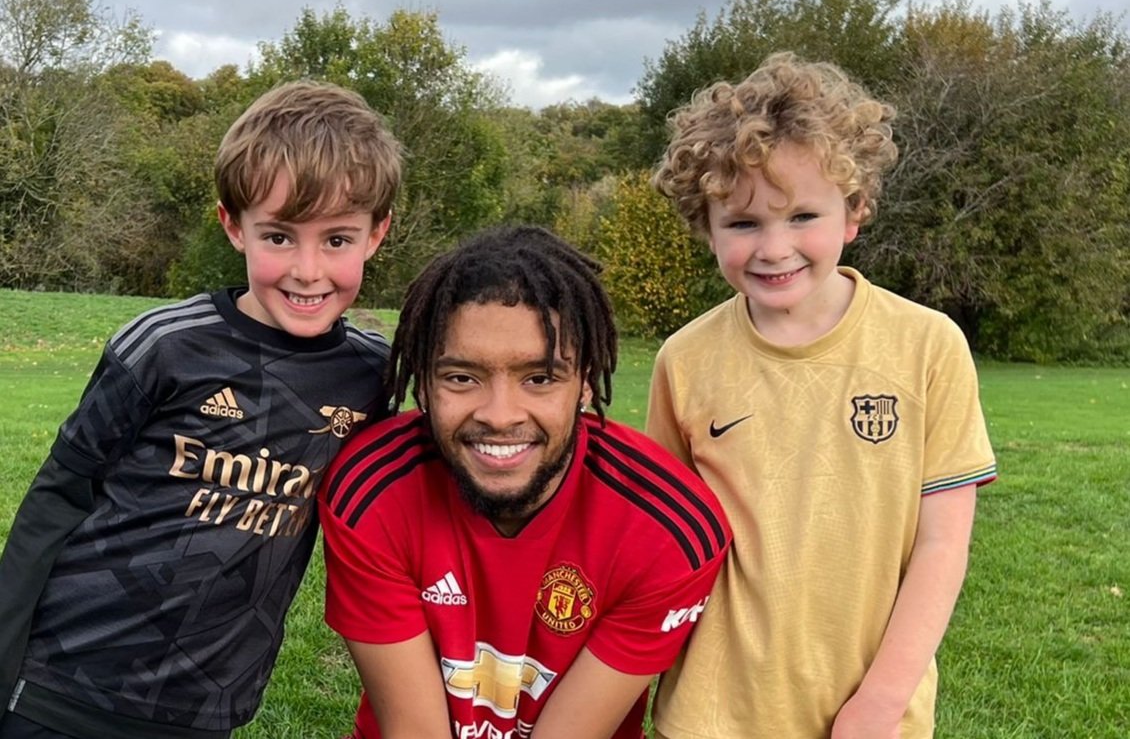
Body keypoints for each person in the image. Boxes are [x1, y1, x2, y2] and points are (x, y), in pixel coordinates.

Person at [0, 80, 402, 739]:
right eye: (278, 235)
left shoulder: (372, 375)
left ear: (376, 234)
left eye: (337, 240)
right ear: (232, 225)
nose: (307, 270)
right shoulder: (163, 345)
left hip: (205, 711)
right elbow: (56, 499)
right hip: (63, 689)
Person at [646, 52, 998, 739]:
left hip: (870, 712)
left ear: (854, 211)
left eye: (803, 215)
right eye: (743, 223)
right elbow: (665, 545)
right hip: (712, 713)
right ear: (706, 227)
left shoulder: (929, 346)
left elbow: (941, 546)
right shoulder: (682, 361)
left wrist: (882, 700)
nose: (775, 247)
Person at [319, 225, 732, 739]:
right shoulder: (371, 492)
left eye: (539, 378)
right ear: (422, 382)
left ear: (585, 381)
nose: (499, 414)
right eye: (461, 377)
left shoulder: (669, 529)